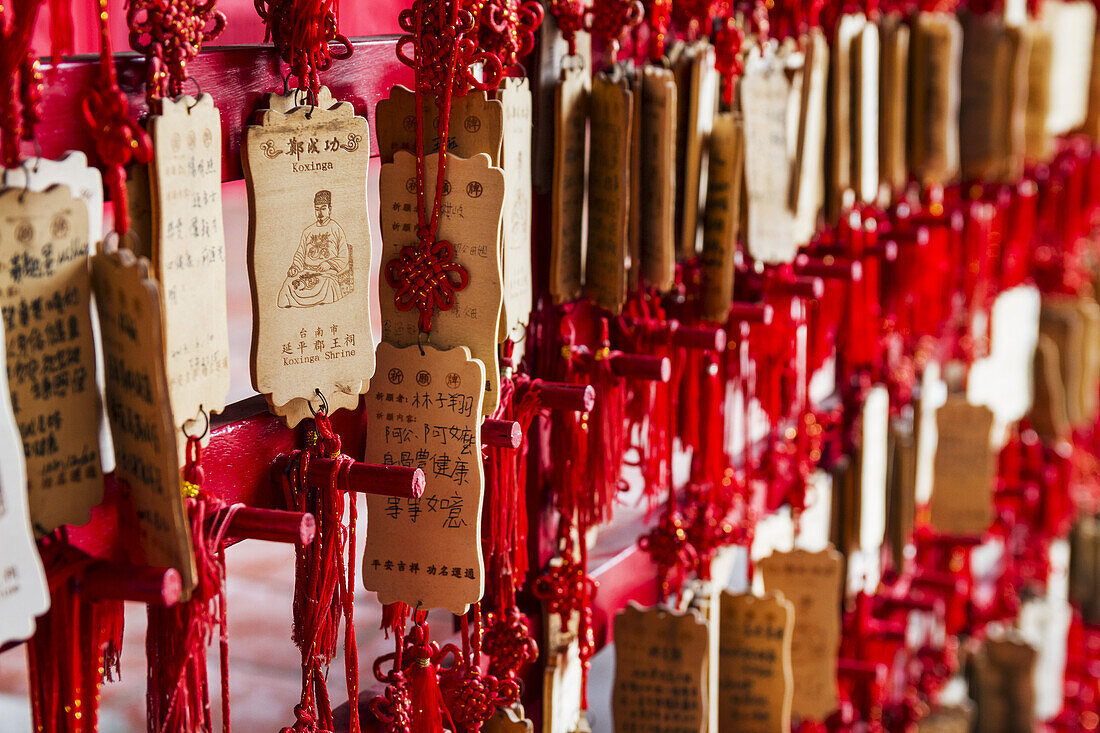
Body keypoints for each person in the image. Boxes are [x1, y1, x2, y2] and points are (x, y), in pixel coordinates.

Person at [277, 189, 353, 308]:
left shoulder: (336, 229)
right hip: (306, 272)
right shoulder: (308, 231)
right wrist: (295, 267)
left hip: (326, 274)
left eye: (323, 208)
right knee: (288, 285)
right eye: (317, 209)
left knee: (326, 286)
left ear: (330, 209)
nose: (320, 213)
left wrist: (329, 263)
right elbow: (300, 254)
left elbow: (344, 256)